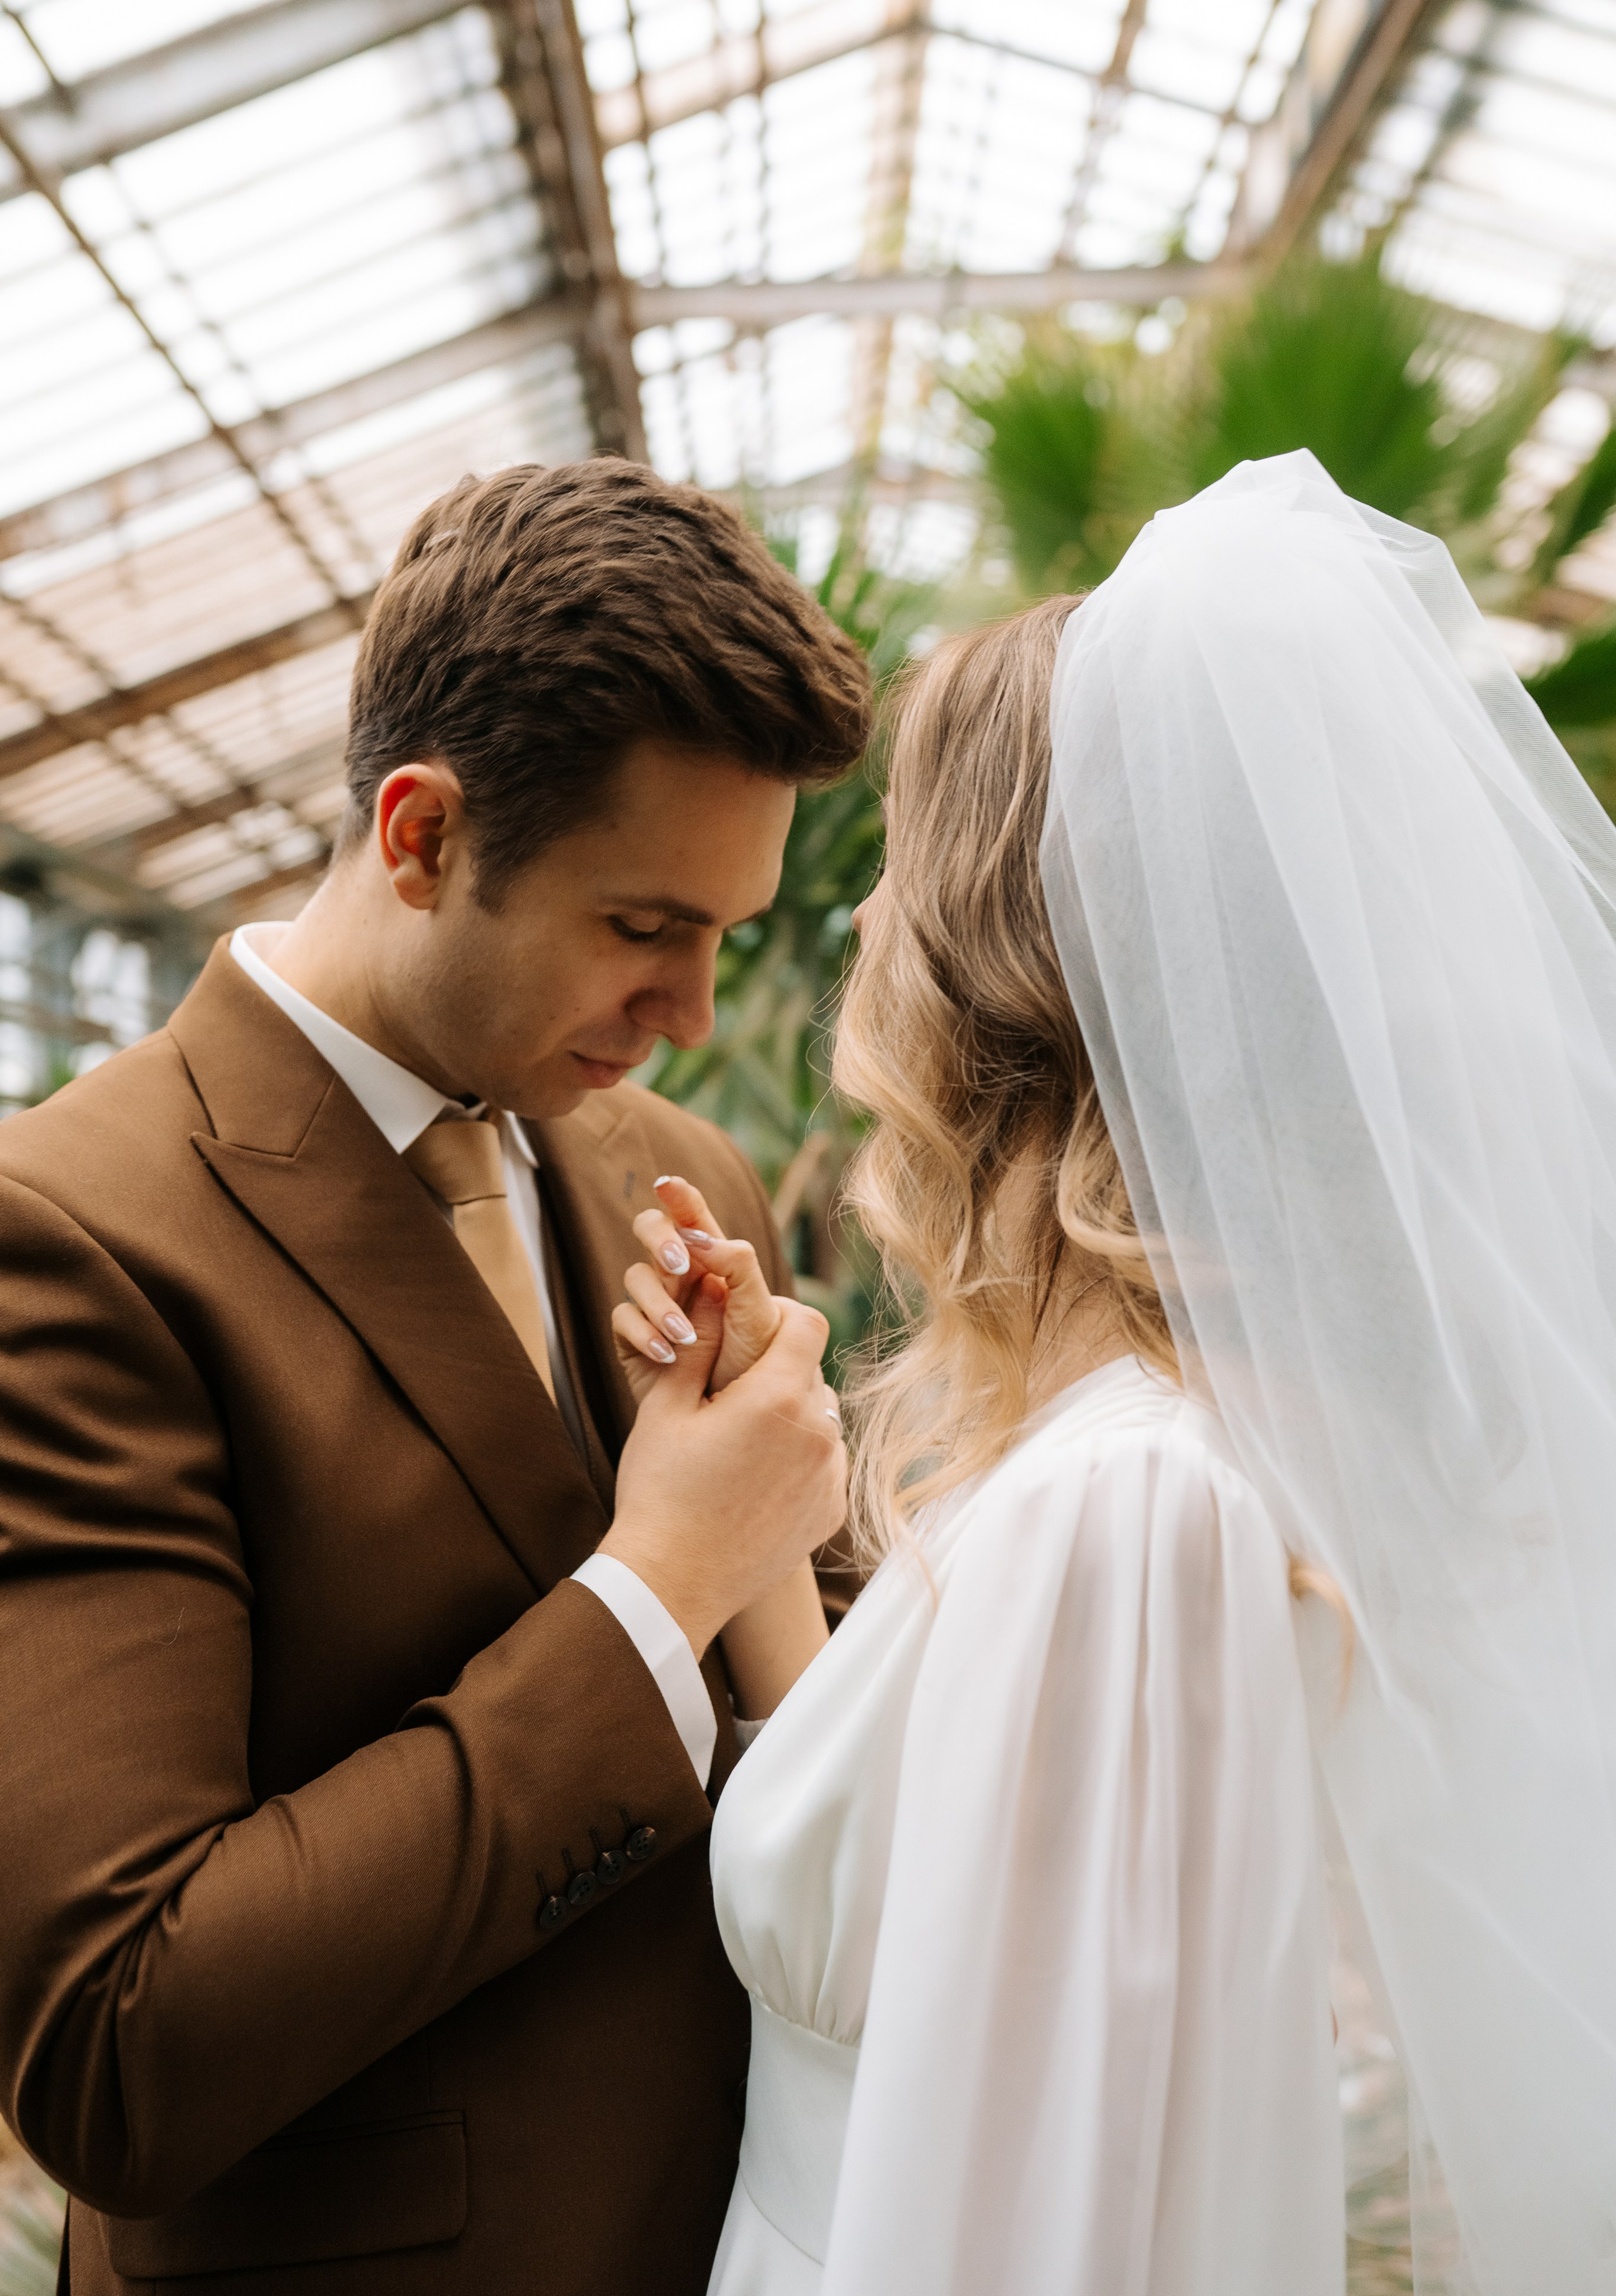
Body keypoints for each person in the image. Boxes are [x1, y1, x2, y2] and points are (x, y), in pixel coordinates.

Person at [627, 453, 1616, 2294]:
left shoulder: (1125, 1505)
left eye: (900, 869)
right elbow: (932, 1882)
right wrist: (749, 1506)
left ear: (994, 973)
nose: (854, 927)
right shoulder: (1110, 1462)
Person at [0, 459, 868, 2296]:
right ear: (420, 837)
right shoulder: (70, 1237)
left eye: (728, 933)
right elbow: (116, 2041)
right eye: (644, 928)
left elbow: (824, 1737)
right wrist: (658, 1590)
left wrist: (801, 1552)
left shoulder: (678, 1179)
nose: (697, 1013)